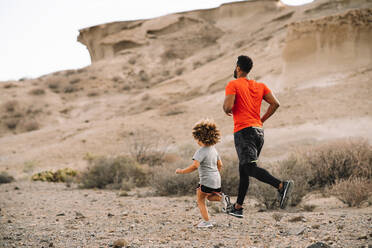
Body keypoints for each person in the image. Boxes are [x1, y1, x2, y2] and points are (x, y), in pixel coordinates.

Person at [223, 55, 293, 218]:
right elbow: (275, 104)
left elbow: (227, 107)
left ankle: (281, 185)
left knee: (249, 168)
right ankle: (238, 207)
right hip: (258, 131)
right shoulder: (260, 85)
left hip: (244, 131)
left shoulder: (233, 84)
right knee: (244, 169)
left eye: (235, 67)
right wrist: (261, 120)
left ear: (238, 68)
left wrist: (226, 107)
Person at [176, 119, 231, 228]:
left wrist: (181, 171)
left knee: (200, 199)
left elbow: (195, 166)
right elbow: (220, 164)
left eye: (196, 138)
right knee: (210, 197)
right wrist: (215, 174)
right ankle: (222, 198)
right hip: (216, 179)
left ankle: (206, 222)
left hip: (206, 180)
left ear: (200, 137)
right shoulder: (214, 150)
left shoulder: (201, 151)